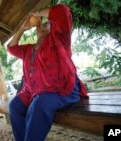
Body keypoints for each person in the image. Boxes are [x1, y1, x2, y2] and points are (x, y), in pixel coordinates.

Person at [7, 4, 88, 141]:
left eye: (46, 23)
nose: (40, 25)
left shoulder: (59, 39)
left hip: (62, 89)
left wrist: (38, 12)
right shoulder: (28, 49)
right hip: (33, 92)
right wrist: (22, 28)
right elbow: (11, 47)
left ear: (52, 27)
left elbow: (62, 11)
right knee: (14, 106)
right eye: (40, 24)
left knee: (40, 103)